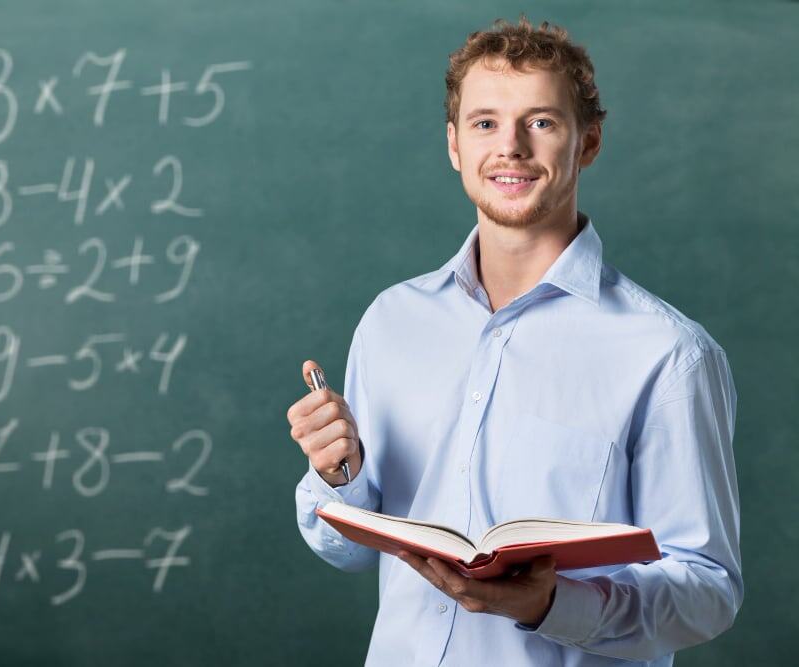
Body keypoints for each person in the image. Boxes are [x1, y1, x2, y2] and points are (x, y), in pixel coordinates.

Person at [286, 16, 742, 666]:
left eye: (542, 122)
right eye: (485, 123)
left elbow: (707, 590)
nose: (511, 147)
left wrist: (548, 604)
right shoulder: (392, 321)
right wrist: (341, 473)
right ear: (453, 144)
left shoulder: (668, 354)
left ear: (588, 142)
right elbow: (353, 550)